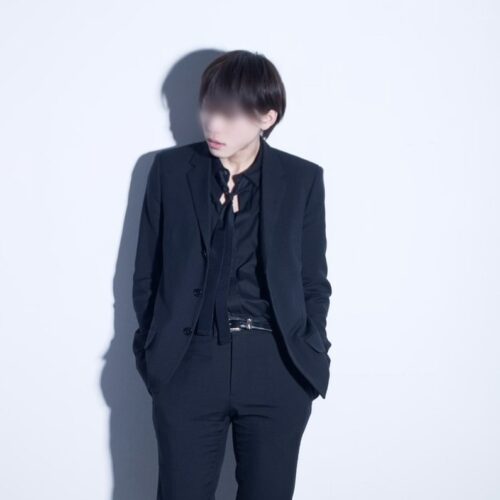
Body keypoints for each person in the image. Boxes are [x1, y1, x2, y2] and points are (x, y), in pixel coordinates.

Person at [132, 49, 332, 500]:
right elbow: (147, 275)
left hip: (275, 363)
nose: (212, 124)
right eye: (208, 108)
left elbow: (313, 282)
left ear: (266, 117)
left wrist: (309, 352)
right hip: (190, 361)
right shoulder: (168, 172)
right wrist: (154, 352)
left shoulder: (302, 180)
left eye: (229, 114)